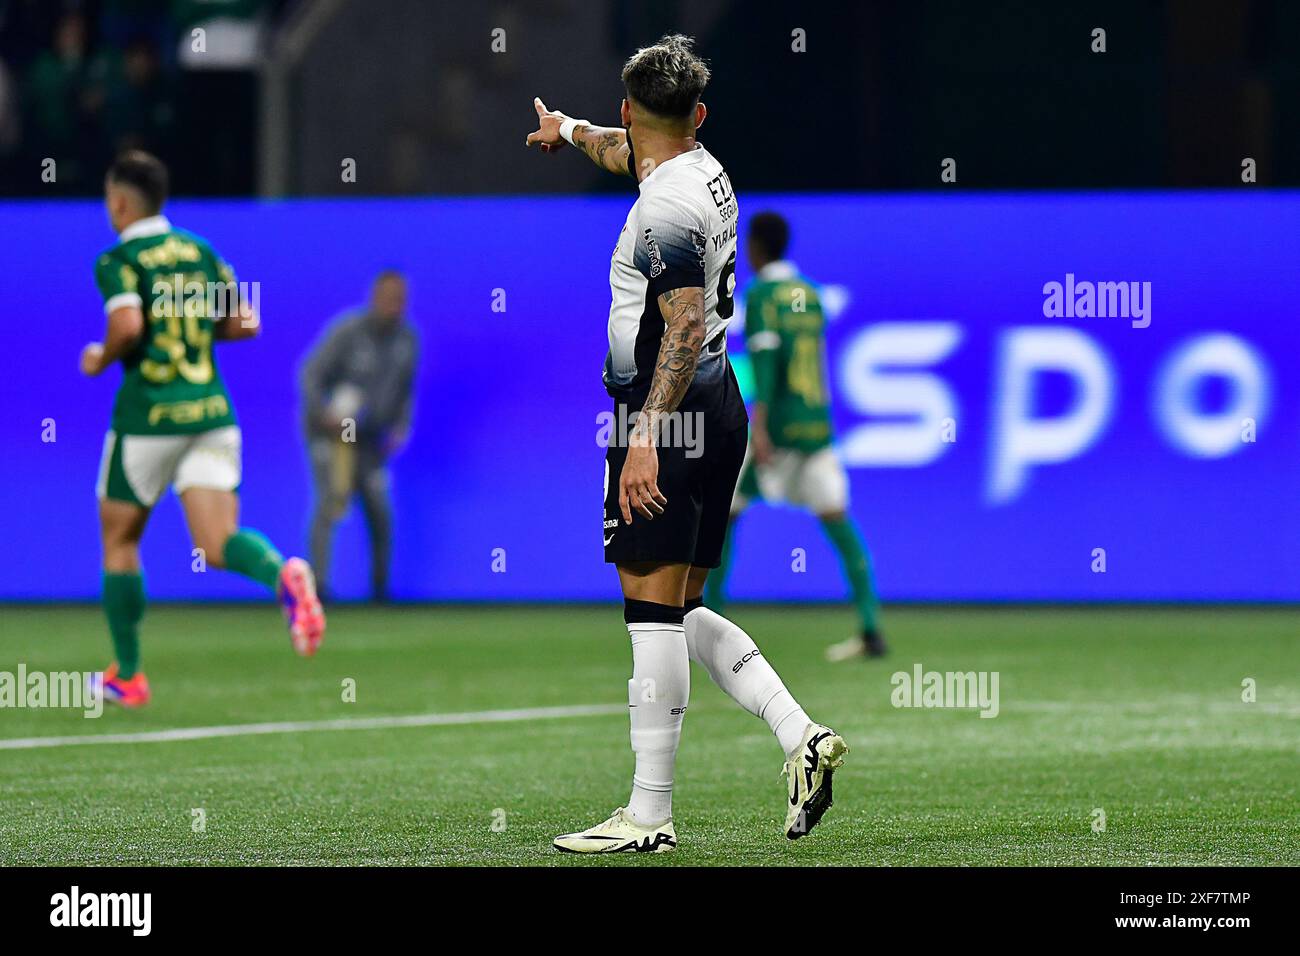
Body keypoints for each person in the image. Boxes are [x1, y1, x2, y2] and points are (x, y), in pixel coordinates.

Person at [526, 35, 847, 854]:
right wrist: (565, 130)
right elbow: (621, 153)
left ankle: (648, 813)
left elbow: (684, 327)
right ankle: (799, 734)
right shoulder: (704, 168)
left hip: (664, 416)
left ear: (633, 111)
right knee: (685, 606)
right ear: (695, 116)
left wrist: (642, 438)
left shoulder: (663, 207)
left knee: (650, 618)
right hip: (721, 410)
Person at [82, 150, 325, 708]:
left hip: (149, 417)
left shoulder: (118, 259)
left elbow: (127, 324)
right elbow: (246, 321)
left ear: (119, 202)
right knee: (217, 544)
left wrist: (101, 358)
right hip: (212, 413)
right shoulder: (199, 252)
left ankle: (130, 674)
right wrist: (190, 328)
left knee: (120, 540)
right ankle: (284, 574)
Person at [705, 212, 888, 661]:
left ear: (755, 247)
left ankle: (707, 623)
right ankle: (871, 629)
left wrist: (760, 427)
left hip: (780, 430)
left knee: (723, 513)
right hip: (817, 428)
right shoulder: (810, 294)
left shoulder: (764, 295)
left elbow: (767, 366)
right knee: (838, 521)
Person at [299, 271, 418, 601]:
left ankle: (380, 590)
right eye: (389, 297)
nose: (395, 305)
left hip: (368, 439)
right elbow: (311, 373)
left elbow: (405, 391)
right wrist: (322, 412)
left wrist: (400, 426)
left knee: (379, 509)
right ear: (375, 297)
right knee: (330, 502)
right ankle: (317, 587)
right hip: (331, 434)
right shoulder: (349, 332)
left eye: (401, 299)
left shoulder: (407, 340)